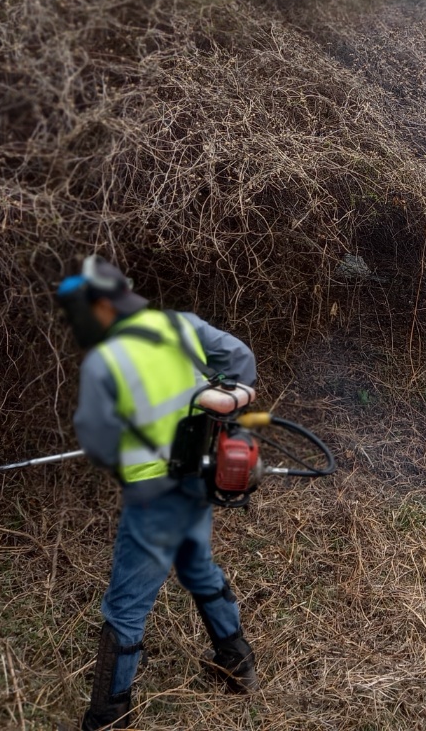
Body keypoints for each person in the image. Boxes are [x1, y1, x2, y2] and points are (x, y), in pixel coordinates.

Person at [56, 255, 260, 731]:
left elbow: (99, 440)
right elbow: (241, 360)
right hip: (196, 478)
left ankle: (107, 717)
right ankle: (236, 662)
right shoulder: (181, 325)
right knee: (196, 565)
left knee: (126, 607)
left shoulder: (106, 359)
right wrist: (225, 404)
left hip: (152, 494)